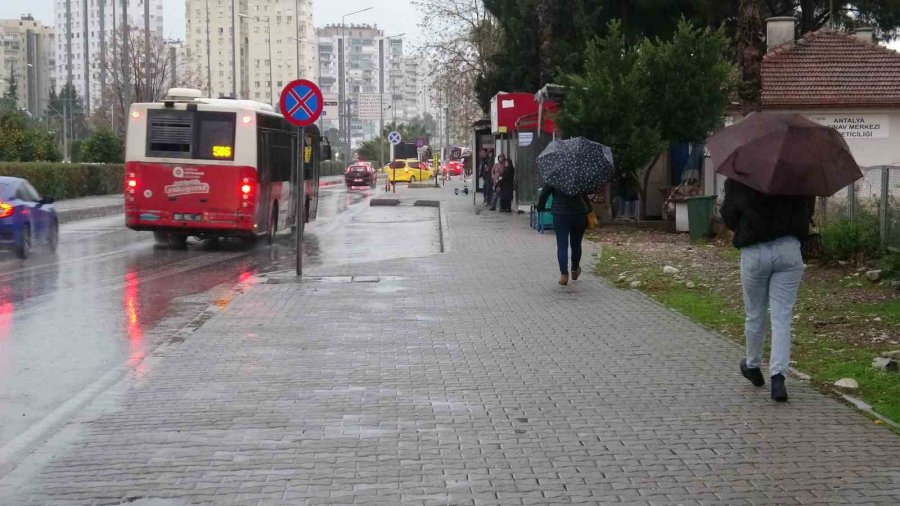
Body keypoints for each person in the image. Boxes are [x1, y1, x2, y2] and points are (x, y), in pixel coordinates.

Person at [720, 178, 815, 402]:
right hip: (788, 249)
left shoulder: (741, 175)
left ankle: (752, 365)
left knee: (755, 313)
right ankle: (778, 377)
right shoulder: (797, 176)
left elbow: (729, 216)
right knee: (782, 317)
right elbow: (807, 212)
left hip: (754, 250)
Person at [536, 185, 591, 286]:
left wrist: (540, 207)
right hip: (578, 213)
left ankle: (564, 275)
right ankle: (574, 270)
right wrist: (589, 208)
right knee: (576, 244)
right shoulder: (578, 175)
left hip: (560, 214)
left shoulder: (554, 176)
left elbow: (544, 194)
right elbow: (584, 194)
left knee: (562, 245)